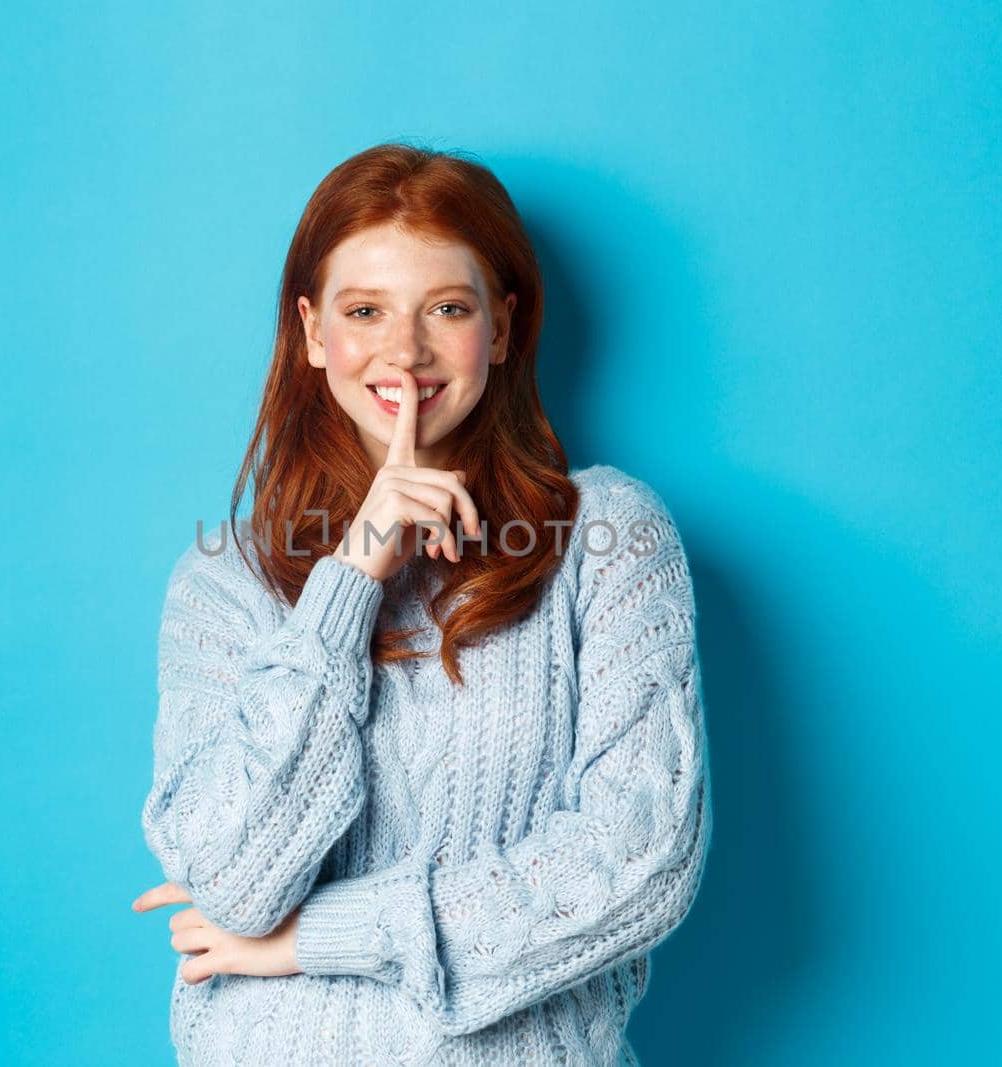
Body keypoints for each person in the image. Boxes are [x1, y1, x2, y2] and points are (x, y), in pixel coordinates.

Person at [131, 142, 712, 1065]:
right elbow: (232, 884)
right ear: (314, 332)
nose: (404, 350)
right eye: (366, 311)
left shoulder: (607, 538)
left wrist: (312, 939)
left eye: (447, 307)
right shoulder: (223, 583)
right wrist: (354, 572)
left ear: (505, 326)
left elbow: (636, 861)